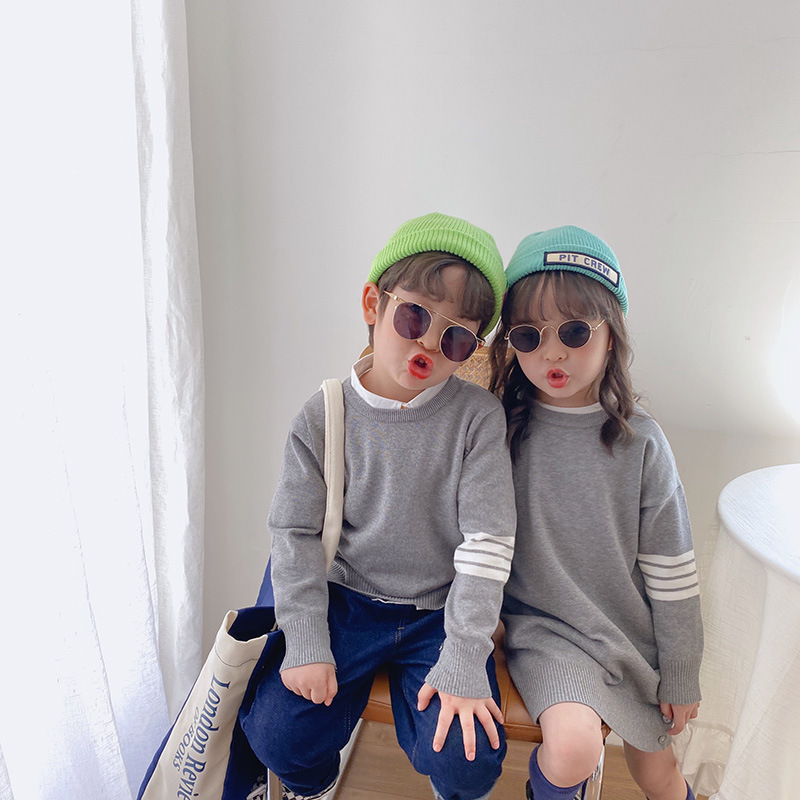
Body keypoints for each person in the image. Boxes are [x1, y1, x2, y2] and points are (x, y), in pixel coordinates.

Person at [241, 212, 517, 800]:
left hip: (440, 612)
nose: (429, 342)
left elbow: (487, 543)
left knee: (468, 762)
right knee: (276, 735)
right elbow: (293, 534)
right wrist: (306, 638)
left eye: (456, 338)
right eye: (415, 315)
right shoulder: (323, 415)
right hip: (346, 602)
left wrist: (465, 654)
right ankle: (315, 786)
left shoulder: (476, 419)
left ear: (471, 349)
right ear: (374, 303)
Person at [488, 226, 703, 800]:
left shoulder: (641, 442)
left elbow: (671, 570)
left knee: (658, 774)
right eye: (528, 335)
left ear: (612, 334)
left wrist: (681, 669)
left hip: (630, 633)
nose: (552, 353)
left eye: (575, 331)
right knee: (574, 748)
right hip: (546, 631)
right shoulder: (498, 431)